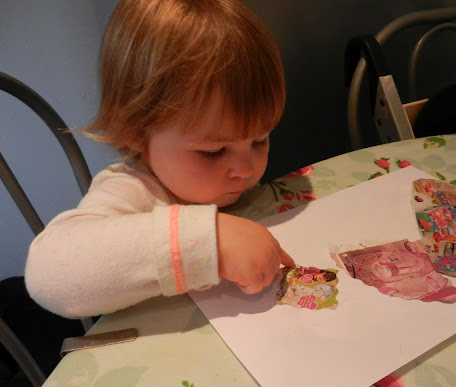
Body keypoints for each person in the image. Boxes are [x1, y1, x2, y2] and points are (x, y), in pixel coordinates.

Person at [25, 0, 294, 318]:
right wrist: (207, 241)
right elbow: (47, 274)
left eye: (259, 141)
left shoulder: (231, 173)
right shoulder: (132, 190)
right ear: (136, 132)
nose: (246, 169)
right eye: (213, 152)